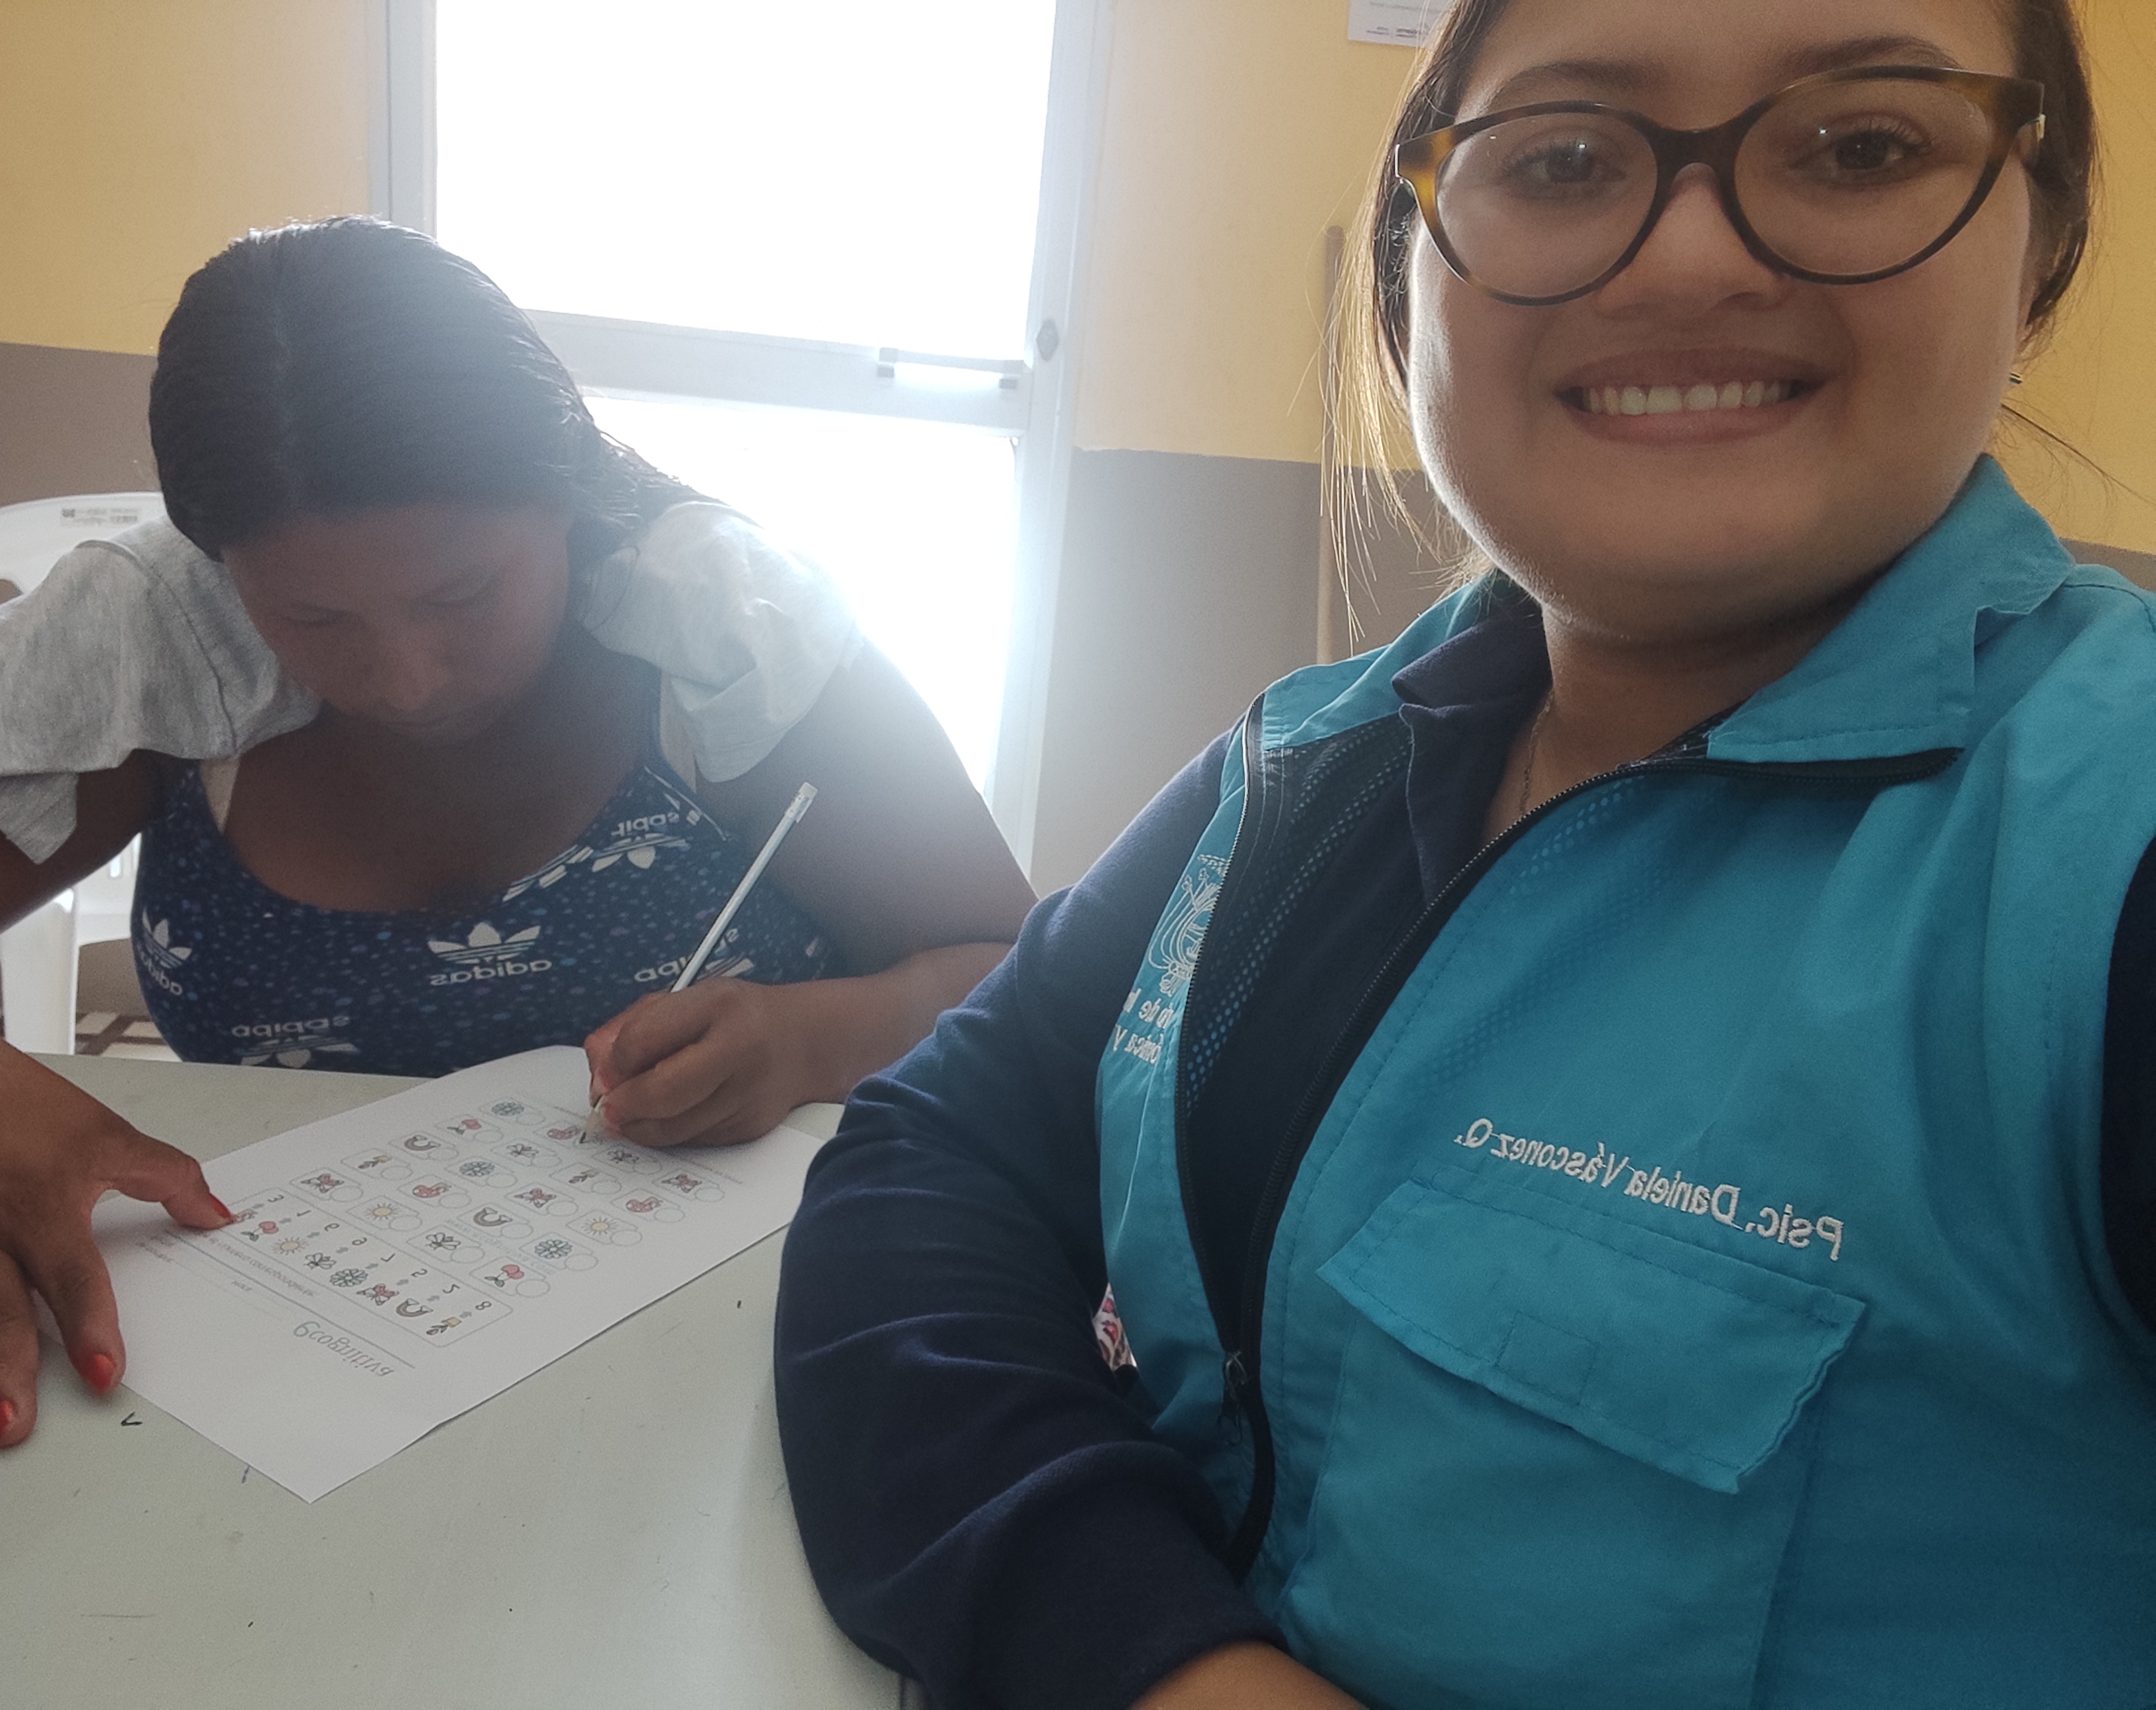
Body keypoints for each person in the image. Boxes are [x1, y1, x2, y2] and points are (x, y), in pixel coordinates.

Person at [774, 0, 2156, 1705]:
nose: (1692, 255)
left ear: (2042, 253)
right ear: (1410, 274)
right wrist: (1143, 1644)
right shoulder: (1301, 764)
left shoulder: (2108, 857)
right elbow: (941, 1152)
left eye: (1860, 145)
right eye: (1563, 160)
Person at [0, 219, 1036, 1450]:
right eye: (314, 618)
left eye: (465, 593)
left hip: (743, 1360)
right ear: (222, 570)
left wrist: (813, 1040)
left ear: (567, 497)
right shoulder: (155, 632)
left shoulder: (723, 627)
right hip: (305, 1369)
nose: (409, 679)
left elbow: (1025, 980)